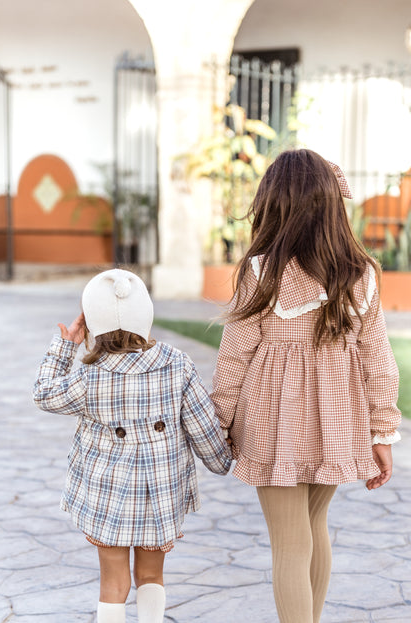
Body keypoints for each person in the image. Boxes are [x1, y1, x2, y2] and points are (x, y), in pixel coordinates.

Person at [211, 149, 401, 623]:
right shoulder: (360, 274)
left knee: (290, 543)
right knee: (315, 525)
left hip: (274, 422)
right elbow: (379, 359)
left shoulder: (260, 272)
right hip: (337, 419)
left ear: (272, 205)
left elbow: (235, 356)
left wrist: (219, 421)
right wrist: (381, 432)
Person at [33, 268, 231, 623]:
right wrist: (221, 459)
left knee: (112, 582)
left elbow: (44, 393)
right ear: (147, 315)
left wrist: (66, 346)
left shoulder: (88, 376)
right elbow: (203, 427)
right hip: (160, 494)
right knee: (152, 576)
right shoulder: (176, 365)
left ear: (92, 322)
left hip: (107, 496)